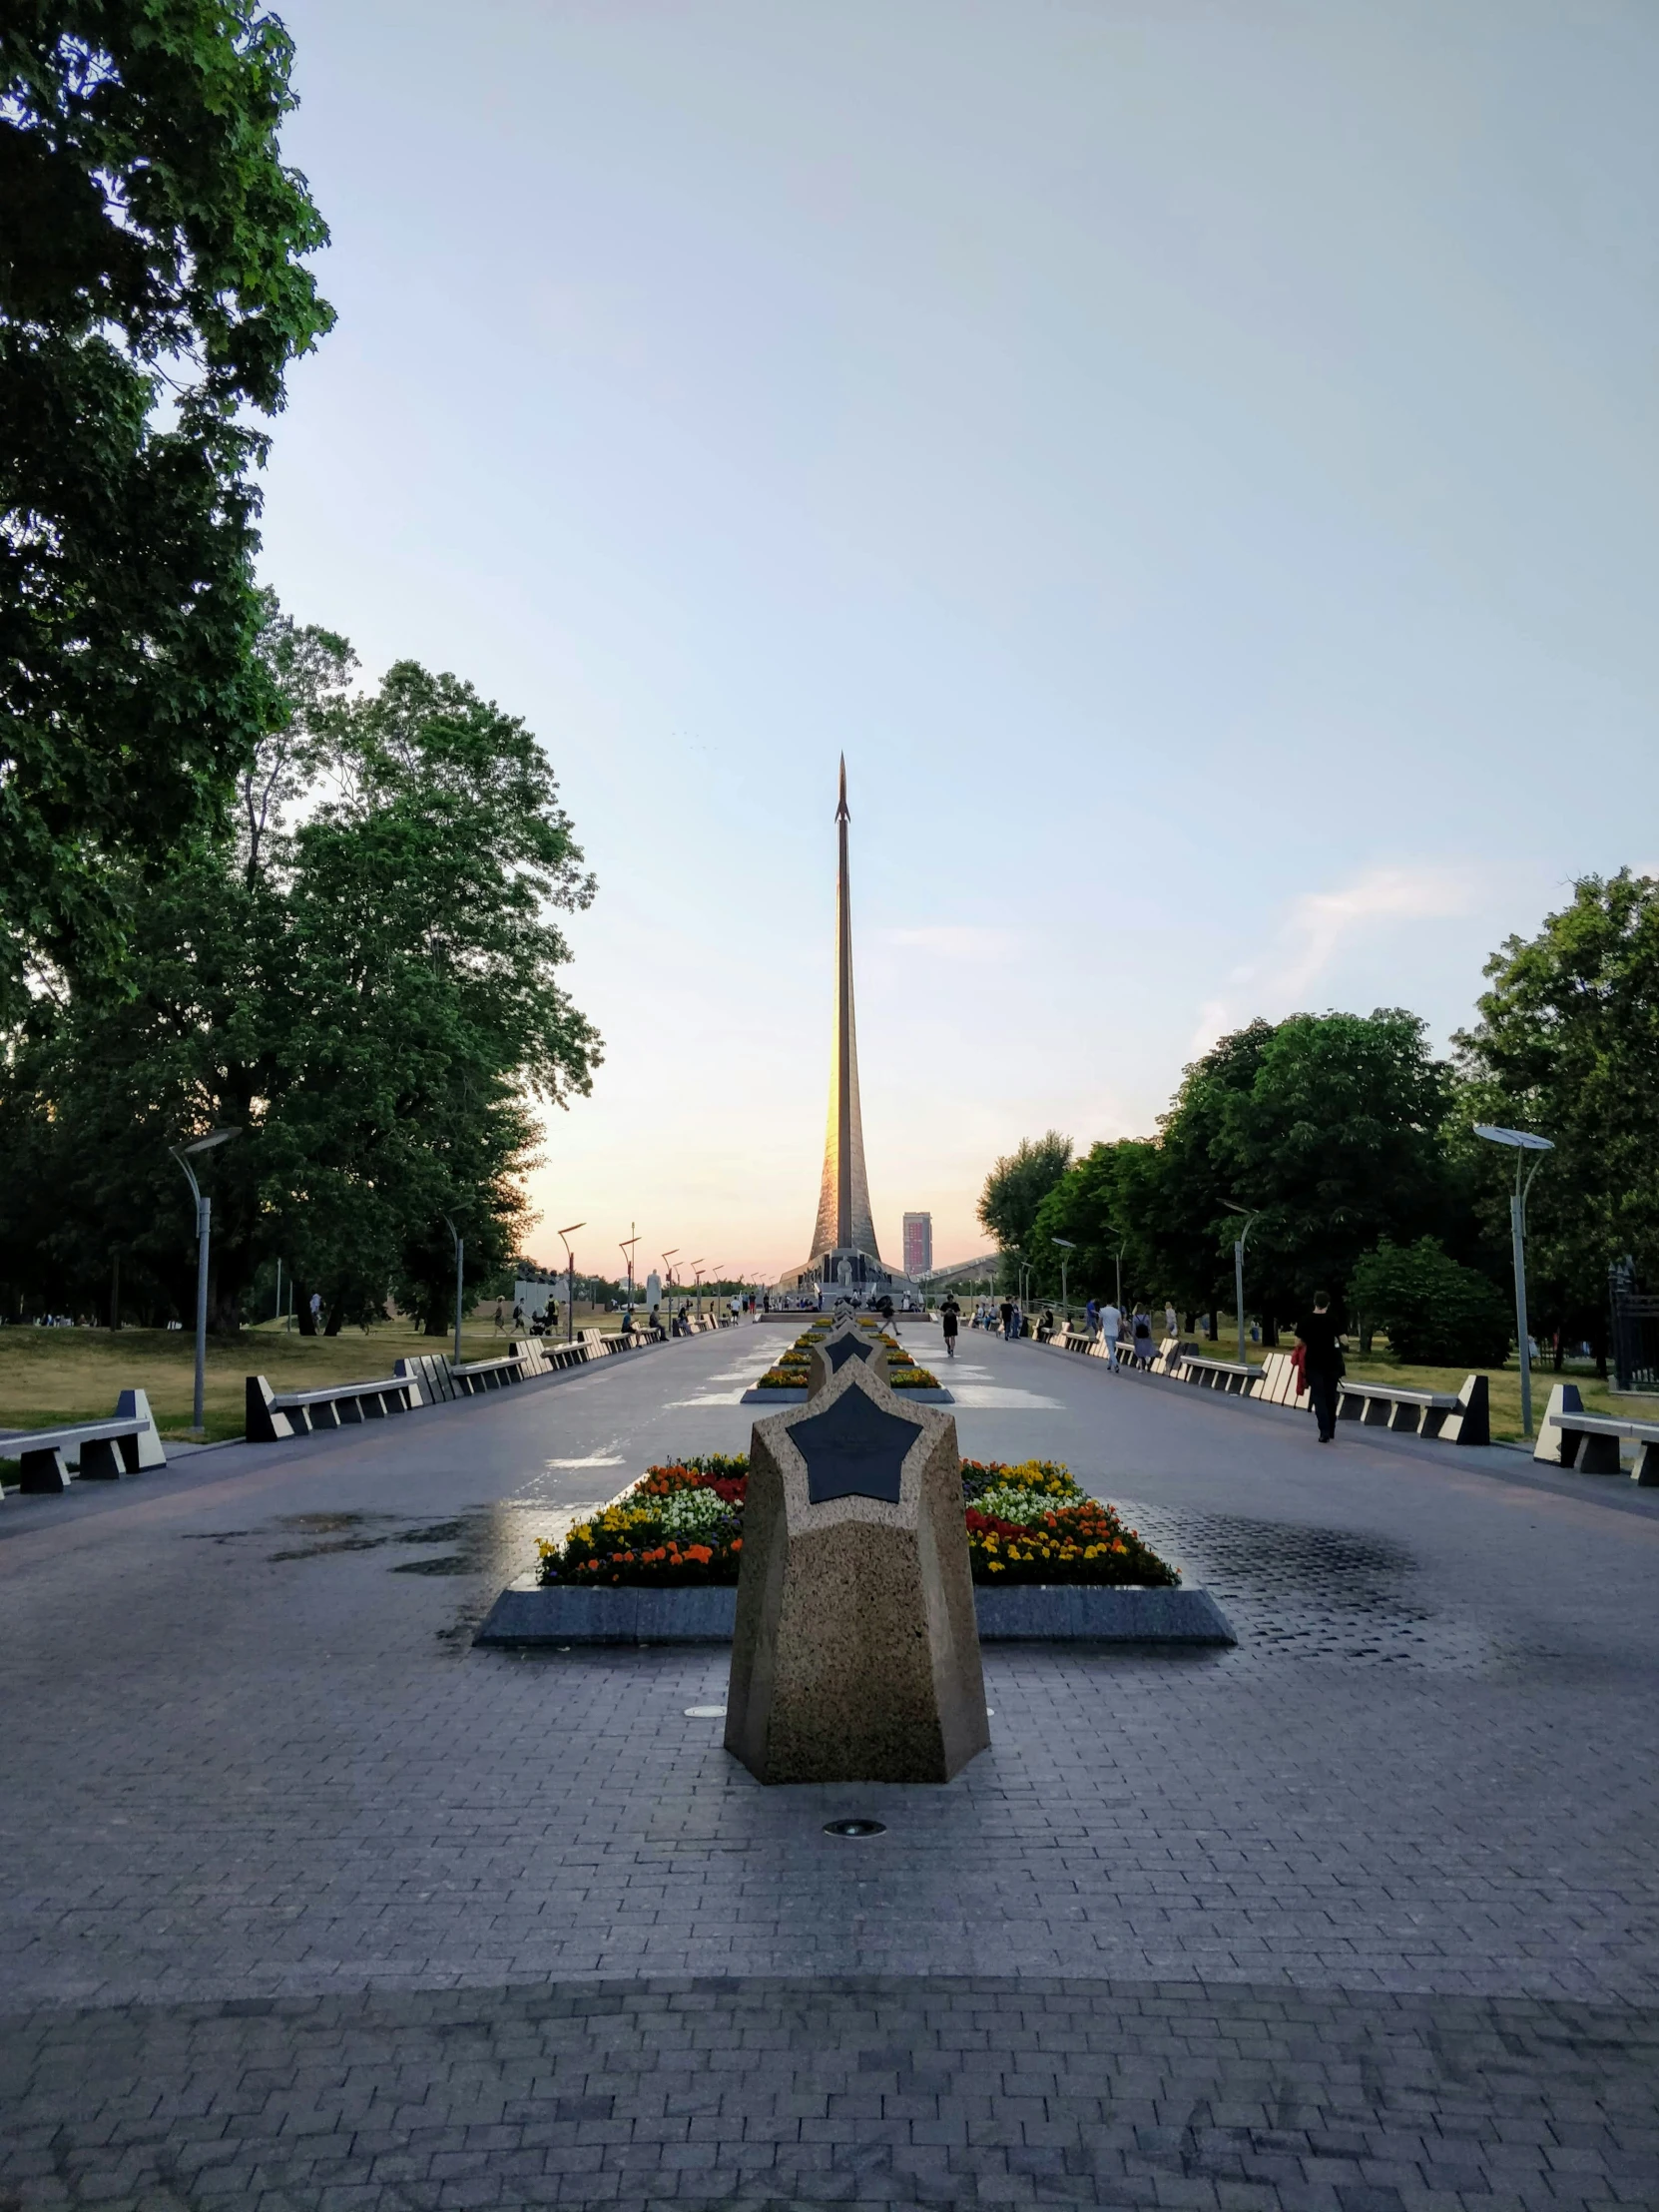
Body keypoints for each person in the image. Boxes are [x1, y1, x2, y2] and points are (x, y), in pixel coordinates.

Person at [1296, 1295, 1346, 1441]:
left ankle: (1323, 1431)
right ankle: (1331, 1429)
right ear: (1328, 1304)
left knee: (1319, 1397)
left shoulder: (1305, 1320)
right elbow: (1344, 1340)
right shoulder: (1333, 1320)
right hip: (1332, 1363)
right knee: (1330, 1396)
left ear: (1314, 1302)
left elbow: (1298, 1342)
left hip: (1313, 1363)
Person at [1100, 1298, 1120, 1369]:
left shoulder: (1102, 1310)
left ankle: (1115, 1364)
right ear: (1113, 1303)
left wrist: (1100, 1327)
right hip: (1115, 1332)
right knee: (1113, 1349)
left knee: (1111, 1350)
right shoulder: (1117, 1311)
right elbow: (1119, 1322)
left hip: (1107, 1332)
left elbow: (1100, 1321)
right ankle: (1109, 1364)